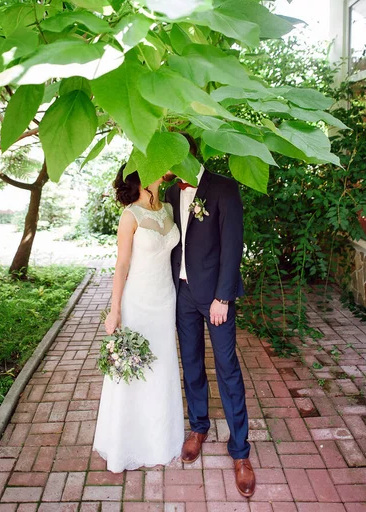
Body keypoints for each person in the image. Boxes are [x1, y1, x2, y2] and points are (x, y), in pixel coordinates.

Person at [164, 134, 256, 498]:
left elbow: (233, 244)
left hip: (215, 297)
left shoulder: (223, 187)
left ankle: (240, 452)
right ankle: (198, 426)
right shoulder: (172, 192)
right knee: (191, 363)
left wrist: (223, 296)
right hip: (182, 294)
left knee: (227, 367)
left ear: (185, 154)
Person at [93, 165, 184, 473]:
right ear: (143, 173)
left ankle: (160, 439)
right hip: (138, 301)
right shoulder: (130, 215)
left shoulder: (169, 206)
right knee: (135, 369)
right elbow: (121, 265)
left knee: (162, 366)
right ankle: (126, 443)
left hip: (165, 299)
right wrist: (115, 309)